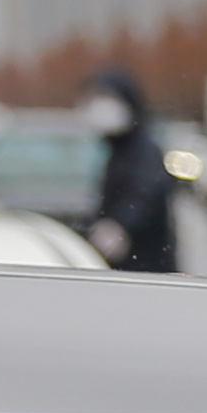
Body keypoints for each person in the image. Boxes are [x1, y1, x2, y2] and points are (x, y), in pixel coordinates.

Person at [77, 66, 175, 274]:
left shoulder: (143, 149)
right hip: (131, 263)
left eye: (107, 97)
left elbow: (146, 191)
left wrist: (120, 225)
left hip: (146, 264)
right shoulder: (118, 149)